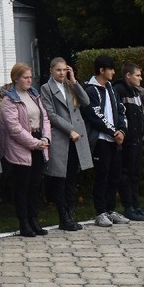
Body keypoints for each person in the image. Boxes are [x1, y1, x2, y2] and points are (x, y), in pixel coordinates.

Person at [39, 58, 92, 232]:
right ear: (51, 71)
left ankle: (71, 213)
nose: (62, 73)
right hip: (62, 137)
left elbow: (86, 102)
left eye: (64, 70)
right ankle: (63, 216)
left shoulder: (70, 85)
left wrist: (74, 81)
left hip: (77, 137)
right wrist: (70, 130)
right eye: (58, 70)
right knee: (60, 178)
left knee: (71, 178)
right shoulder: (46, 88)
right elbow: (51, 114)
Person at [0, 63, 51, 237]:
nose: (29, 80)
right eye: (25, 77)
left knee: (35, 185)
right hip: (21, 147)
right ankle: (24, 224)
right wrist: (33, 143)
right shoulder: (9, 100)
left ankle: (34, 221)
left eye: (30, 77)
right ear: (16, 79)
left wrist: (45, 138)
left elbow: (45, 119)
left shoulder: (34, 95)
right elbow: (14, 128)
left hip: (38, 142)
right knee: (23, 186)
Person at [83, 55, 130, 227]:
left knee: (114, 175)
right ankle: (100, 212)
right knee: (102, 176)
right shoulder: (90, 90)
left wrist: (122, 131)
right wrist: (112, 132)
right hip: (102, 140)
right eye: (110, 69)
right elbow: (95, 115)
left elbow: (120, 110)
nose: (113, 72)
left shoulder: (112, 88)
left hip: (115, 140)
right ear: (102, 70)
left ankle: (111, 210)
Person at [113, 63, 144, 221]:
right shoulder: (120, 90)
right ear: (128, 75)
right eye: (137, 75)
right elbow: (120, 114)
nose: (140, 78)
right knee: (126, 174)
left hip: (137, 140)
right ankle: (128, 206)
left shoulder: (137, 92)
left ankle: (136, 206)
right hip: (127, 141)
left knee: (135, 174)